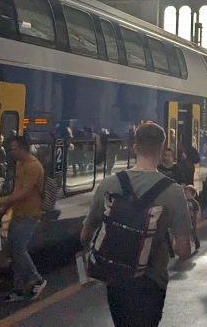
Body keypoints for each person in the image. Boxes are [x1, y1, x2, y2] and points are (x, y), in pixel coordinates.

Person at [82, 122, 191, 326]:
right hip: (152, 281)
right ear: (161, 149)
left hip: (116, 278)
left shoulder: (109, 184)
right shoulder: (174, 192)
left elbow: (85, 235)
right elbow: (183, 250)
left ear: (134, 148)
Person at [0, 135, 47, 301]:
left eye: (13, 149)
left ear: (22, 148)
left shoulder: (34, 166)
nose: (11, 152)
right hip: (18, 213)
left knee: (19, 248)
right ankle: (18, 288)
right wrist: (7, 207)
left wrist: (2, 201)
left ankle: (36, 278)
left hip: (29, 215)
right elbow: (17, 191)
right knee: (13, 250)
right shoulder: (20, 165)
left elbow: (25, 192)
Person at [183, 185, 201, 252]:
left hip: (193, 219)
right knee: (187, 233)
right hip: (186, 219)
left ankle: (197, 244)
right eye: (185, 193)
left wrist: (197, 216)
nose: (185, 194)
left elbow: (197, 210)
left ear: (192, 194)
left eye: (187, 193)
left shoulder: (194, 202)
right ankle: (188, 246)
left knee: (193, 232)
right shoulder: (184, 201)